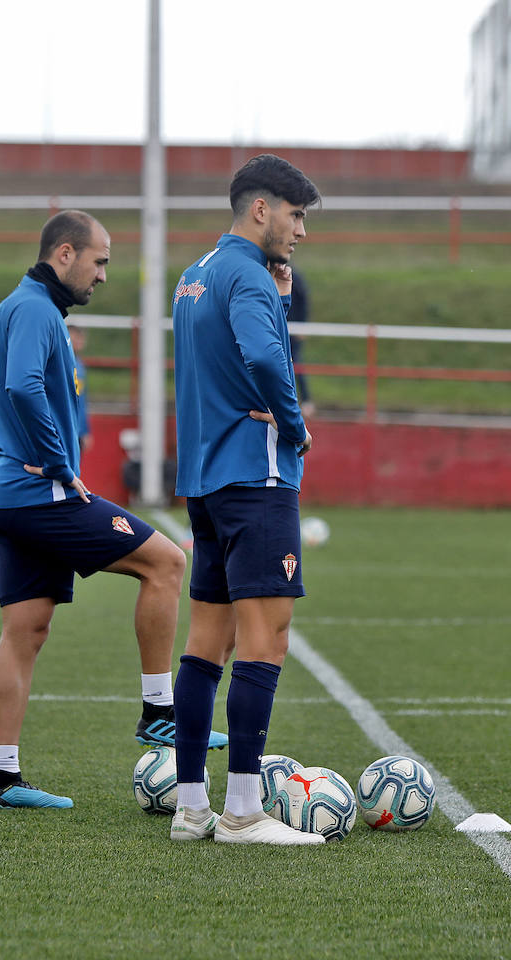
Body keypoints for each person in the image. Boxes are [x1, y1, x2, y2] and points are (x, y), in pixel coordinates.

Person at [0, 209, 224, 811]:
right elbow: (22, 386)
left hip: (5, 495)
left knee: (26, 630)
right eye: (100, 260)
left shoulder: (27, 307)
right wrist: (61, 464)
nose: (104, 275)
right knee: (164, 563)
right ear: (65, 254)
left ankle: (3, 776)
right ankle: (160, 712)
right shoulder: (35, 308)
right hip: (40, 494)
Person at [168, 153, 326, 846]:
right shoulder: (249, 279)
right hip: (257, 481)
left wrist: (281, 299)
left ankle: (191, 805)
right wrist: (294, 427)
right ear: (261, 209)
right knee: (266, 639)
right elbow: (265, 362)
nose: (300, 231)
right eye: (296, 216)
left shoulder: (194, 275)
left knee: (206, 643)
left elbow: (229, 360)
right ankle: (242, 811)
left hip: (205, 482)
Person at [286, 271, 315, 417]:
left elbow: (303, 299)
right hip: (280, 327)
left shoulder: (294, 277)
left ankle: (305, 400)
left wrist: (302, 324)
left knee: (295, 362)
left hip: (294, 329)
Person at [68, 325, 94, 454]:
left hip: (76, 430)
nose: (80, 340)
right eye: (76, 336)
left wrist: (85, 431)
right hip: (63, 430)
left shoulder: (79, 365)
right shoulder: (59, 363)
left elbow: (81, 402)